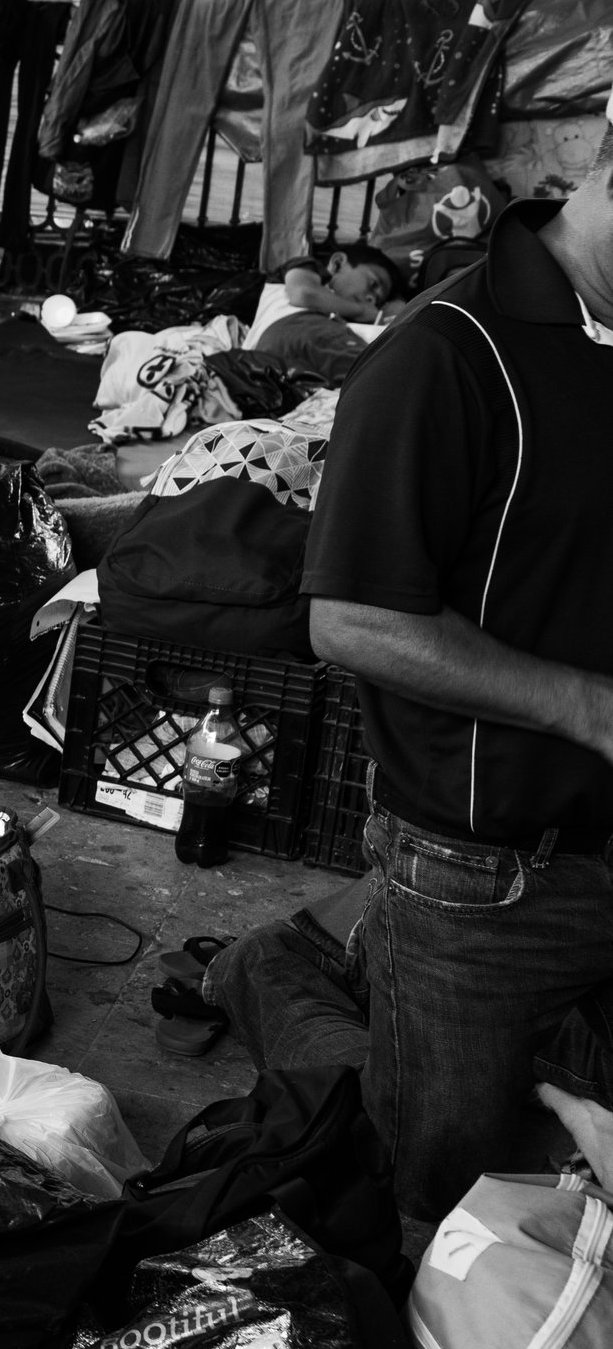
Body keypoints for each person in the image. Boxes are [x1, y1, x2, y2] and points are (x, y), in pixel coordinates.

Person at [304, 138, 613, 1219]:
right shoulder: (447, 348)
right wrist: (587, 706)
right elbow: (349, 618)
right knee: (447, 1202)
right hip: (481, 879)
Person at [245, 242, 404, 383]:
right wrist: (361, 309)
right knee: (377, 371)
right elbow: (303, 294)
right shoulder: (308, 267)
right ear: (338, 263)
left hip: (267, 365)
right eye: (373, 284)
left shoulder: (338, 313)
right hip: (297, 328)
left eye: (376, 300)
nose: (370, 299)